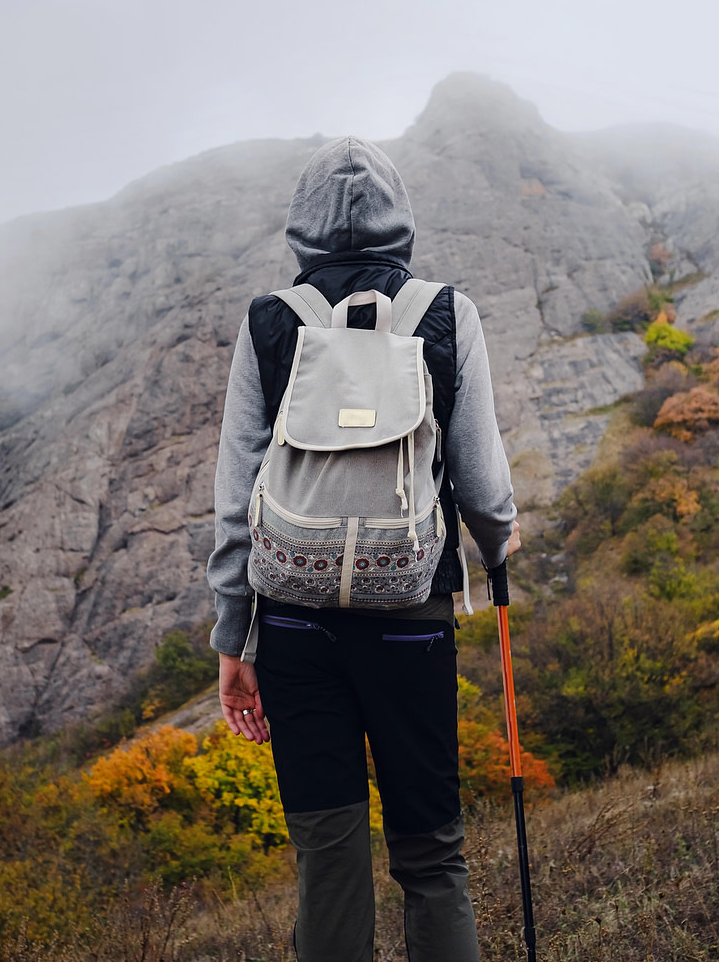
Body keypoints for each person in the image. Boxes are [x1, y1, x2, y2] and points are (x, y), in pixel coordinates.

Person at [207, 136, 520, 962]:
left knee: (328, 859)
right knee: (431, 855)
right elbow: (485, 488)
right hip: (410, 617)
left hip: (295, 626)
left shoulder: (269, 323)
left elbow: (238, 496)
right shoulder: (448, 313)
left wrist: (234, 638)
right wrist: (498, 547)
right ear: (401, 225)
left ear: (301, 231)